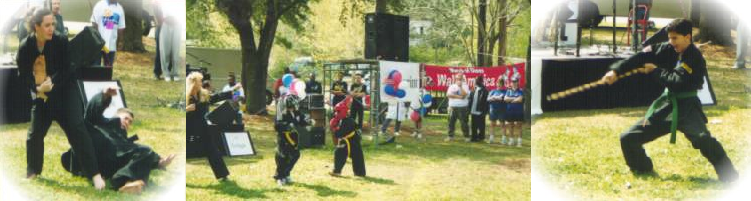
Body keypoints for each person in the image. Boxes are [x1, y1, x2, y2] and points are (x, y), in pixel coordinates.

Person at [602, 19, 738, 182]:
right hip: (667, 106)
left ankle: (730, 177)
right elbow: (640, 56)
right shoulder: (668, 48)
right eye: (670, 38)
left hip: (687, 108)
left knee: (703, 139)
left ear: (687, 37)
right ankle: (642, 168)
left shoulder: (695, 58)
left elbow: (677, 81)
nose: (671, 42)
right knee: (628, 138)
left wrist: (655, 71)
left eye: (675, 38)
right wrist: (616, 71)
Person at [17, 7, 106, 190]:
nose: (52, 29)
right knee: (34, 134)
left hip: (66, 92)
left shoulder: (60, 40)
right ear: (36, 27)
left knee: (77, 130)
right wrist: (38, 87)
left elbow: (69, 68)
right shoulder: (25, 46)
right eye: (47, 25)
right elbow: (23, 75)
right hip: (43, 96)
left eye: (53, 24)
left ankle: (95, 175)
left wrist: (53, 81)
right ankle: (33, 171)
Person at [62, 87, 176, 194]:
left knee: (145, 150)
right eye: (125, 118)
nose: (127, 122)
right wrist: (104, 96)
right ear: (116, 115)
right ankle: (123, 181)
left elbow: (140, 155)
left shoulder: (126, 143)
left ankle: (124, 183)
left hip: (107, 165)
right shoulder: (102, 122)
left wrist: (159, 162)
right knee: (88, 125)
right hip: (93, 150)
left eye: (130, 122)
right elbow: (91, 112)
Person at [186, 72, 241, 181]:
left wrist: (233, 90)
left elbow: (217, 97)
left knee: (213, 150)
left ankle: (223, 175)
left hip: (202, 128)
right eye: (199, 81)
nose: (201, 83)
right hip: (188, 129)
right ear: (194, 83)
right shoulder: (186, 96)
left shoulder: (203, 95)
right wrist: (186, 109)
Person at [273, 95, 307, 186]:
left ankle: (286, 173)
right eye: (295, 104)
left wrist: (308, 121)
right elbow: (277, 126)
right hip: (283, 137)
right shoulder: (281, 112)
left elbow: (302, 121)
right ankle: (279, 177)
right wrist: (288, 125)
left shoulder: (296, 112)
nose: (297, 106)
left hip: (292, 137)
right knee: (283, 156)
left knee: (295, 155)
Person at [329, 97, 366, 177]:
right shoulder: (342, 119)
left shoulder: (347, 121)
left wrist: (335, 129)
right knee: (340, 152)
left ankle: (360, 173)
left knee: (357, 156)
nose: (336, 113)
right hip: (347, 140)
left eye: (338, 111)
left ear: (343, 111)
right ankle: (337, 171)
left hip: (353, 140)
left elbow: (339, 134)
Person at [90, 0, 125, 67]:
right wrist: (98, 38)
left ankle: (106, 77)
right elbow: (94, 23)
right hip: (98, 44)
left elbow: (120, 27)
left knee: (108, 68)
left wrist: (121, 41)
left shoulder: (120, 9)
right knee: (95, 67)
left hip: (111, 45)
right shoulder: (99, 5)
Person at [158, 0, 183, 81]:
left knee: (175, 51)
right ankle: (166, 73)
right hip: (166, 24)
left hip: (177, 25)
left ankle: (175, 73)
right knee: (165, 51)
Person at [445, 73, 470, 142]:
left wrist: (460, 87)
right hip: (452, 107)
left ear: (463, 79)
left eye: (460, 79)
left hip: (462, 108)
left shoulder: (465, 86)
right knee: (450, 122)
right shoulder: (452, 86)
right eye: (457, 78)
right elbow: (448, 95)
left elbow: (464, 95)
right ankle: (450, 136)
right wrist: (458, 97)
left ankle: (466, 137)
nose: (458, 80)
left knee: (464, 123)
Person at [487, 76, 508, 144]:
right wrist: (495, 97)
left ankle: (504, 139)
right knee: (492, 124)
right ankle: (491, 138)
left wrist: (493, 98)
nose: (499, 85)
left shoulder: (506, 91)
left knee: (502, 124)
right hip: (493, 110)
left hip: (502, 110)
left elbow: (502, 98)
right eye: (498, 83)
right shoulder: (493, 91)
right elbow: (488, 99)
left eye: (500, 84)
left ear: (503, 84)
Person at [504, 77, 524, 147]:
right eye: (512, 82)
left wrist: (511, 100)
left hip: (519, 111)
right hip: (510, 111)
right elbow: (505, 99)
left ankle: (519, 142)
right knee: (510, 125)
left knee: (519, 126)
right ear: (511, 83)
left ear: (518, 82)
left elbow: (520, 99)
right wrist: (515, 99)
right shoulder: (508, 91)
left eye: (515, 81)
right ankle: (511, 140)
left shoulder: (521, 90)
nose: (514, 83)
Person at [468, 75, 489, 142]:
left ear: (481, 81)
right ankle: (474, 137)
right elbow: (470, 98)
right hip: (473, 110)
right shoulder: (473, 88)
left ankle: (481, 137)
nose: (476, 81)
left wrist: (485, 111)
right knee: (473, 125)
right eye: (476, 80)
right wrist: (469, 108)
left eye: (478, 80)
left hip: (480, 110)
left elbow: (486, 102)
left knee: (481, 125)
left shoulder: (484, 90)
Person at [152, 0, 163, 79]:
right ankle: (157, 72)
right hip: (160, 27)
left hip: (165, 27)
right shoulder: (156, 3)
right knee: (159, 51)